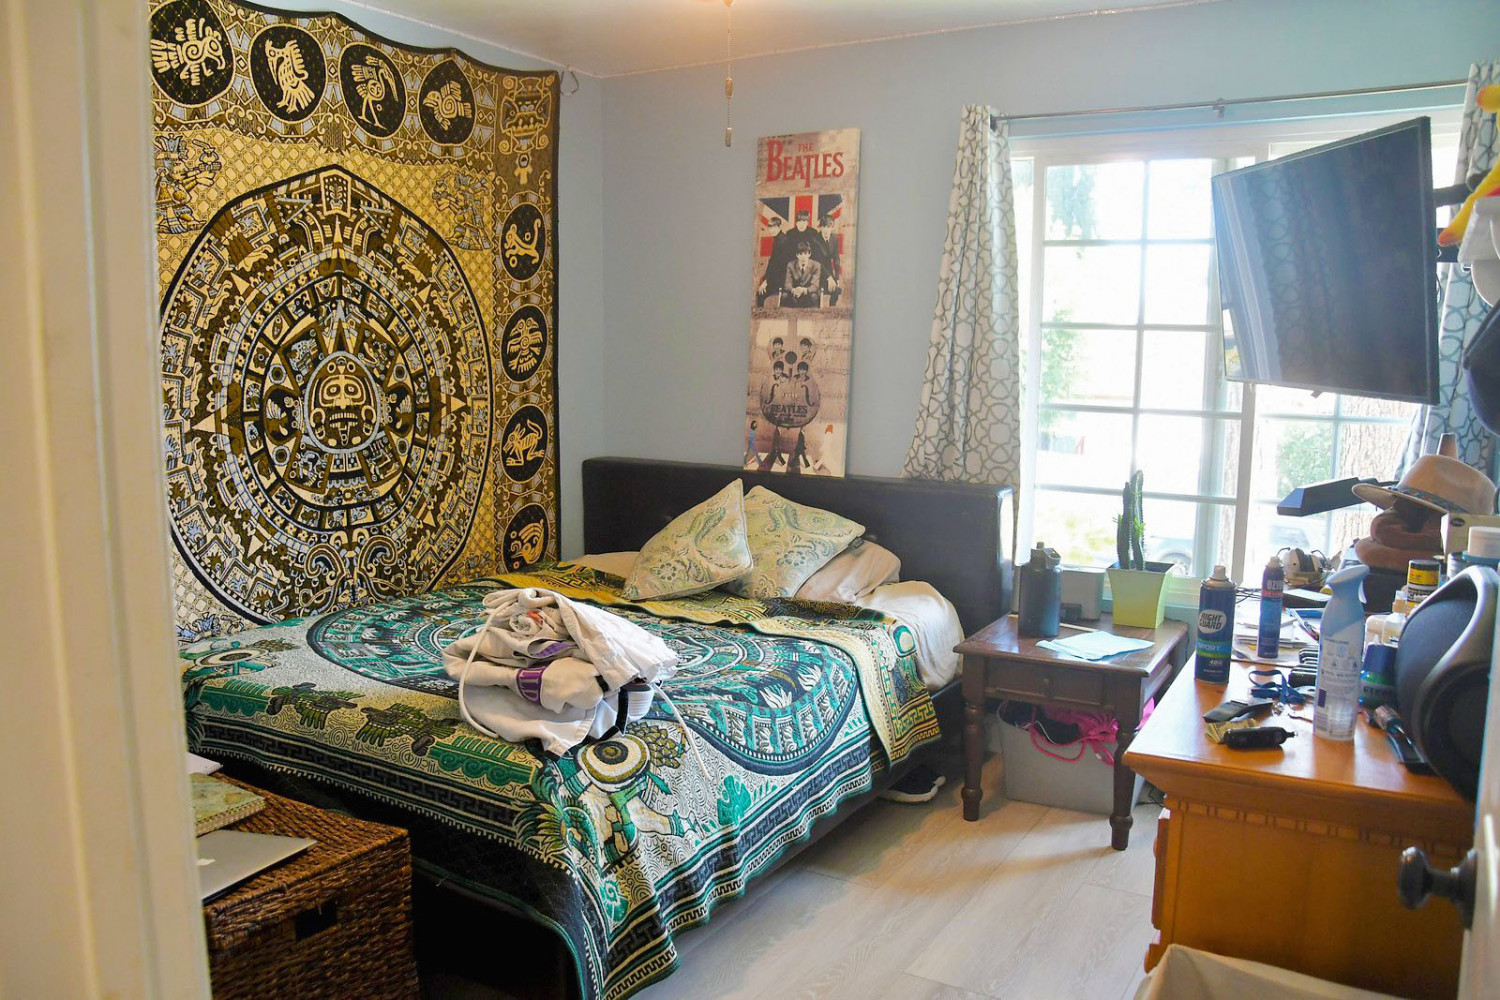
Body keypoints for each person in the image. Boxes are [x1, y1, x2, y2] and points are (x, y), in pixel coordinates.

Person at [758, 210, 831, 307]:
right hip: (792, 272)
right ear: (796, 222)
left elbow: (820, 256)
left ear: (808, 222)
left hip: (809, 274)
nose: (802, 224)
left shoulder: (813, 233)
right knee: (777, 295)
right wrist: (767, 280)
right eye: (799, 221)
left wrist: (829, 277)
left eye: (804, 221)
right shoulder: (790, 234)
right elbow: (779, 260)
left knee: (814, 296)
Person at [781, 241, 822, 308]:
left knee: (814, 297)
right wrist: (793, 290)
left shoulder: (816, 265)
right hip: (794, 294)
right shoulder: (791, 265)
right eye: (800, 254)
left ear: (809, 254)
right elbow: (787, 283)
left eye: (805, 253)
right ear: (797, 255)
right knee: (784, 296)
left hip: (808, 294)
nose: (803, 257)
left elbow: (815, 285)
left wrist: (803, 290)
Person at [819, 213, 843, 306]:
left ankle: (832, 307)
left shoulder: (835, 238)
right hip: (817, 270)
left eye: (828, 227)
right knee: (818, 293)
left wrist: (836, 278)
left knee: (836, 290)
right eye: (824, 227)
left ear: (832, 228)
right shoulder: (816, 239)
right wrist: (829, 278)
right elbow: (818, 262)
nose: (826, 230)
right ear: (821, 227)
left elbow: (836, 259)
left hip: (828, 269)